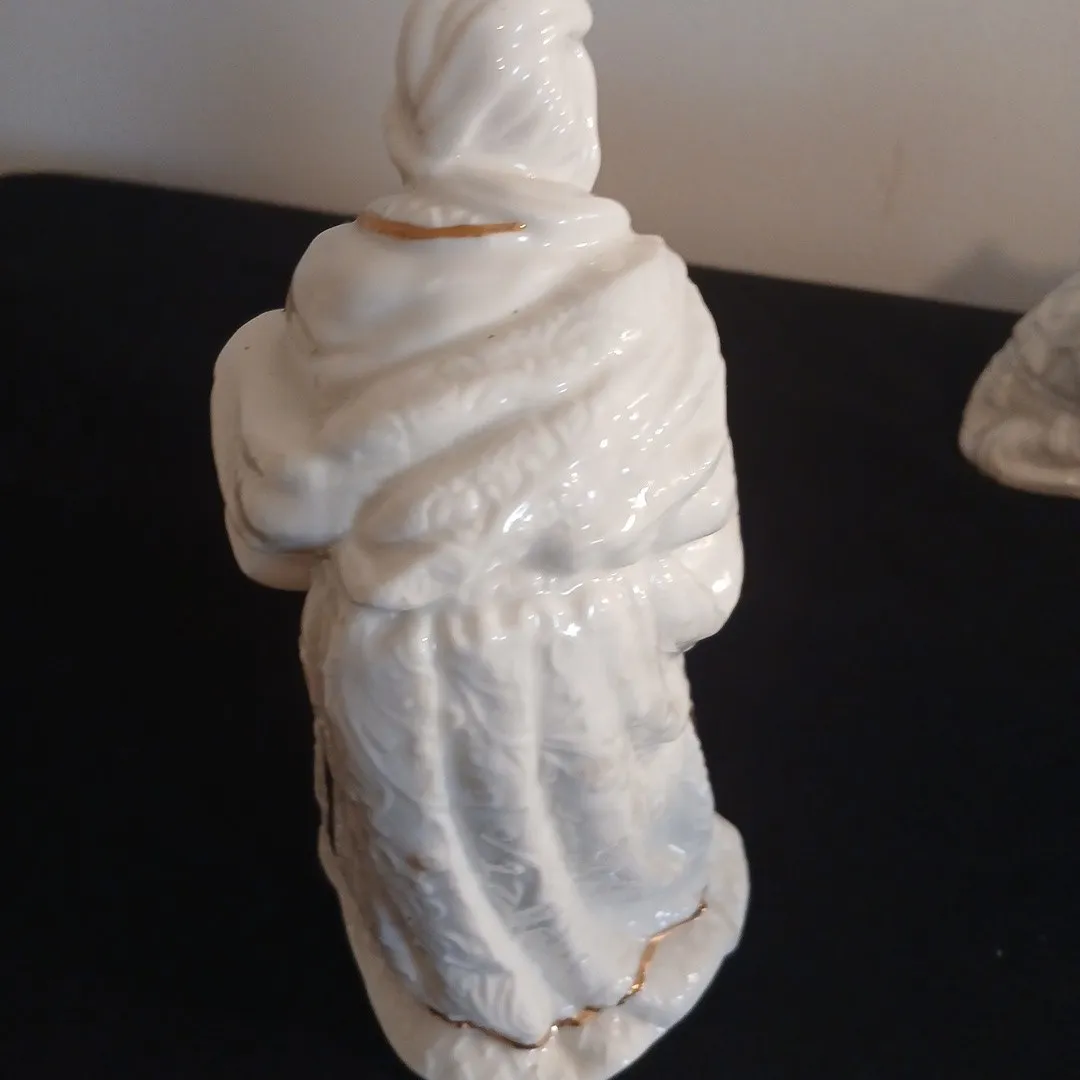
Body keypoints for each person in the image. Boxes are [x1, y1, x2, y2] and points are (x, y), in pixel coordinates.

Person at [212, 0, 747, 1053]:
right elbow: (703, 554)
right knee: (603, 850)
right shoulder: (645, 301)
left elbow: (273, 535)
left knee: (439, 876)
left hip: (389, 664)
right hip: (591, 657)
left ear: (418, 106)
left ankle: (477, 1013)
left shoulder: (336, 279)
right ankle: (563, 999)